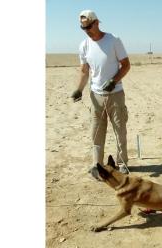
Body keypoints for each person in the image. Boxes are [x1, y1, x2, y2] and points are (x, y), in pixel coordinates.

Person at [71, 10, 130, 179]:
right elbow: (84, 70)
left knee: (120, 130)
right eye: (83, 28)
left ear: (97, 23)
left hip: (116, 94)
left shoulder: (113, 41)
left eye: (89, 26)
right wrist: (79, 89)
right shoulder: (84, 45)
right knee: (96, 132)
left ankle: (122, 163)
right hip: (95, 96)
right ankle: (97, 165)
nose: (87, 30)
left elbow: (126, 65)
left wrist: (113, 81)